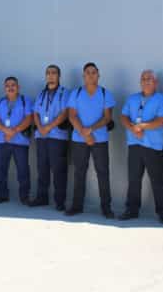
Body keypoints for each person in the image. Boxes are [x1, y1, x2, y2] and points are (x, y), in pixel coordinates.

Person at [119, 70, 163, 224]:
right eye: (143, 79)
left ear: (156, 82)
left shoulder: (162, 99)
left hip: (154, 146)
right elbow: (123, 116)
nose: (146, 81)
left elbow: (162, 120)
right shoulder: (132, 98)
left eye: (149, 79)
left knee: (158, 180)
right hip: (135, 144)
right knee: (133, 179)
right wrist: (132, 129)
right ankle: (132, 210)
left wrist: (141, 126)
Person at [65, 62, 115, 218]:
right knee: (79, 172)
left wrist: (91, 130)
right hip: (79, 140)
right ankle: (77, 206)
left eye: (94, 72)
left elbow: (107, 118)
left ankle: (106, 208)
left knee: (103, 173)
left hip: (99, 140)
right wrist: (84, 133)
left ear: (98, 75)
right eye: (88, 72)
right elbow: (72, 115)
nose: (91, 75)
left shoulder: (106, 94)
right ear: (83, 76)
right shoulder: (76, 93)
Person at [30, 65, 70, 211]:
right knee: (42, 168)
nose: (51, 75)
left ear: (59, 76)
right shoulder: (41, 94)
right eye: (48, 73)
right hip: (42, 137)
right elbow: (35, 112)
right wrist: (40, 127)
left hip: (57, 137)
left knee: (58, 170)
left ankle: (60, 201)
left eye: (54, 73)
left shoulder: (65, 93)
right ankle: (42, 198)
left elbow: (65, 113)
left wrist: (48, 127)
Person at [0, 76, 33, 205]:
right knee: (1, 169)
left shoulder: (25, 101)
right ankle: (3, 195)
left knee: (23, 170)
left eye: (13, 85)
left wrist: (13, 131)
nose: (10, 87)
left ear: (18, 87)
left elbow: (28, 119)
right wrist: (5, 130)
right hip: (3, 141)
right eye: (7, 85)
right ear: (4, 88)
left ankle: (24, 196)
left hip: (20, 142)